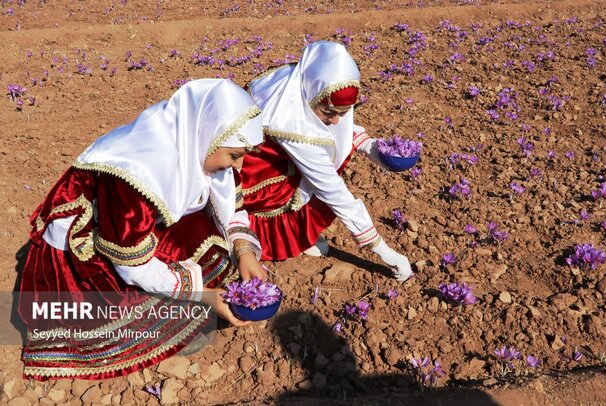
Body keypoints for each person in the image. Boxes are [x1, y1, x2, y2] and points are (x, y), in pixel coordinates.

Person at [18, 79, 267, 380]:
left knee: (213, 243)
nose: (238, 166)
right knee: (122, 313)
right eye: (234, 155)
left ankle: (183, 307)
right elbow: (131, 264)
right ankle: (171, 325)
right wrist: (203, 295)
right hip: (94, 243)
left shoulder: (198, 142)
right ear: (208, 137)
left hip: (135, 228)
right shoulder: (135, 174)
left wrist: (244, 252)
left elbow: (231, 208)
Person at [240, 41, 412, 282]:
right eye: (329, 113)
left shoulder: (303, 80)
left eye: (343, 112)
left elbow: (331, 126)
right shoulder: (292, 125)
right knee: (318, 180)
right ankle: (286, 239)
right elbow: (332, 189)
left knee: (325, 160)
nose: (336, 121)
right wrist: (384, 251)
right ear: (314, 93)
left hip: (277, 158)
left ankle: (301, 237)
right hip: (251, 177)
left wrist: (372, 147)